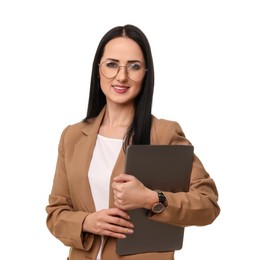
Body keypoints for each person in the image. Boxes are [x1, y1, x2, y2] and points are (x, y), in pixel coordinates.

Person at [46, 24, 220, 260]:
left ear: (146, 73)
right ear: (98, 70)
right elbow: (56, 213)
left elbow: (207, 205)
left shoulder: (164, 134)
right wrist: (87, 221)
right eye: (111, 64)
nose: (122, 76)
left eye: (134, 67)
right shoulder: (73, 136)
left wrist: (151, 199)